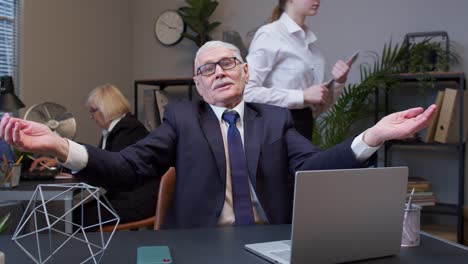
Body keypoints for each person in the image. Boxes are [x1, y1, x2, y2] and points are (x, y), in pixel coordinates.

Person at [0, 41, 436, 229]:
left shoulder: (275, 119)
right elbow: (127, 168)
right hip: (200, 242)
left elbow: (313, 168)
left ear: (246, 71)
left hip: (271, 240)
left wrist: (373, 136)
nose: (218, 72)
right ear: (198, 83)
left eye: (227, 62)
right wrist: (61, 146)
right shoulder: (182, 121)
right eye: (206, 69)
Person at [30, 84, 159, 226]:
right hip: (127, 196)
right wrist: (60, 161)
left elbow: (109, 170)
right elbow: (97, 161)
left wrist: (76, 171)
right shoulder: (117, 129)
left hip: (136, 201)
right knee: (73, 216)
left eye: (93, 110)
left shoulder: (128, 130)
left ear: (107, 107)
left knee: (75, 219)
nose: (91, 116)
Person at [245, 0, 351, 140]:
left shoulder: (311, 46)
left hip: (304, 127)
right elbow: (247, 92)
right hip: (275, 130)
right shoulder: (270, 34)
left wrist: (339, 82)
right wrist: (302, 96)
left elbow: (316, 108)